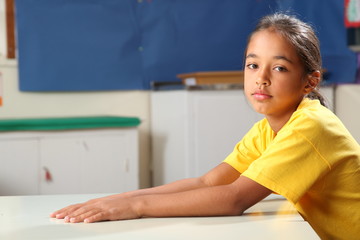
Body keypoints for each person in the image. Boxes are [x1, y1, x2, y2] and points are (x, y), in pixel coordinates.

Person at [50, 13, 360, 239]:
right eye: (253, 64)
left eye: (279, 67)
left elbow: (233, 199)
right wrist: (120, 200)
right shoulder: (269, 129)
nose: (261, 78)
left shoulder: (310, 126)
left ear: (310, 81)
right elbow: (208, 183)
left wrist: (137, 207)